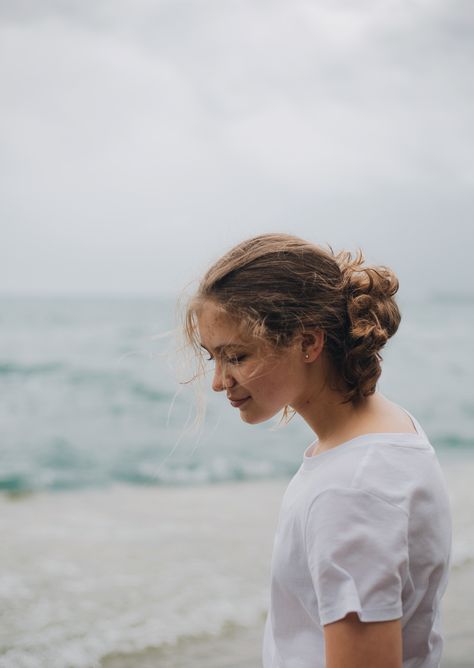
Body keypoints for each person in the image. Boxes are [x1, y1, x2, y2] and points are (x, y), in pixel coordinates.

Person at [183, 232, 452, 668]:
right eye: (213, 357)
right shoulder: (384, 431)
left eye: (236, 356)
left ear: (308, 343)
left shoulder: (353, 489)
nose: (218, 381)